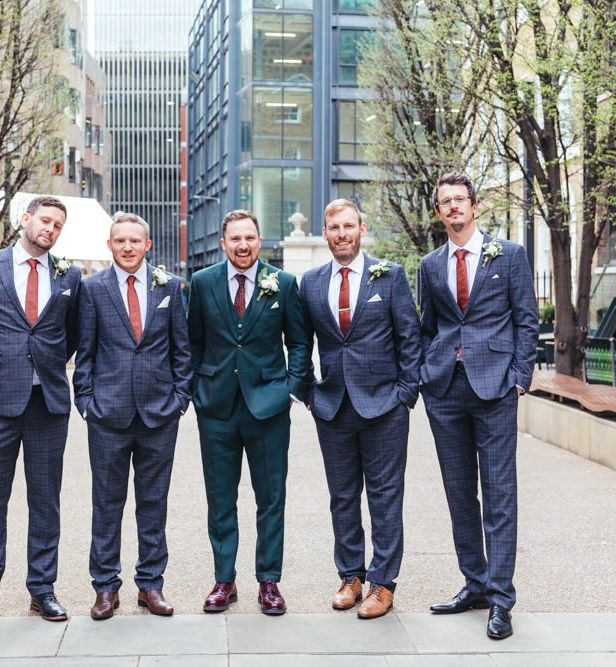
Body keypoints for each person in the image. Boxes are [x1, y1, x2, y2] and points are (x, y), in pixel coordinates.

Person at [420, 172, 538, 639]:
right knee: (458, 492)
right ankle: (475, 583)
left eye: (459, 200)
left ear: (474, 206)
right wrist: (429, 376)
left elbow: (527, 322)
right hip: (446, 391)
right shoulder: (430, 265)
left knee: (499, 495)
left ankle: (501, 599)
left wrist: (519, 380)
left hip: (495, 390)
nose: (453, 208)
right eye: (445, 201)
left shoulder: (509, 256)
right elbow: (429, 326)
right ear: (438, 212)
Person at [299, 199, 421, 619]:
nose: (341, 234)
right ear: (326, 231)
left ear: (361, 229)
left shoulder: (389, 277)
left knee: (386, 496)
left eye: (348, 226)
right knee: (343, 496)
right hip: (332, 407)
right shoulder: (311, 283)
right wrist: (308, 394)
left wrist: (405, 394)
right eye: (333, 227)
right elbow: (301, 345)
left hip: (385, 406)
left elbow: (410, 337)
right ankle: (350, 575)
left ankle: (382, 584)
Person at [187, 209, 309, 615]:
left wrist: (290, 390)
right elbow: (193, 341)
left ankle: (269, 581)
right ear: (223, 243)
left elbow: (299, 342)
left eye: (250, 238)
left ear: (260, 240)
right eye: (235, 238)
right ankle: (225, 580)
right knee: (220, 498)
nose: (243, 245)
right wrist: (197, 389)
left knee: (270, 497)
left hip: (268, 408)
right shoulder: (202, 283)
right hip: (217, 408)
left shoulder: (284, 284)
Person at [73, 212, 192, 620]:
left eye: (134, 241)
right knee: (106, 504)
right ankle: (105, 587)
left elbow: (182, 350)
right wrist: (87, 402)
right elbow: (84, 353)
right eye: (120, 241)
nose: (127, 247)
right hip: (107, 415)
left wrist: (180, 399)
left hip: (160, 415)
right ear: (110, 245)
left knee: (153, 503)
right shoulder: (92, 289)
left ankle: (151, 584)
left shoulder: (170, 288)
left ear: (147, 245)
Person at [0, 196, 81, 622]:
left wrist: (46, 365)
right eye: (44, 221)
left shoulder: (71, 275)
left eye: (57, 225)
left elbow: (71, 337)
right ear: (26, 219)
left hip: (48, 402)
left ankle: (42, 589)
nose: (50, 229)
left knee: (46, 500)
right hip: (1, 399)